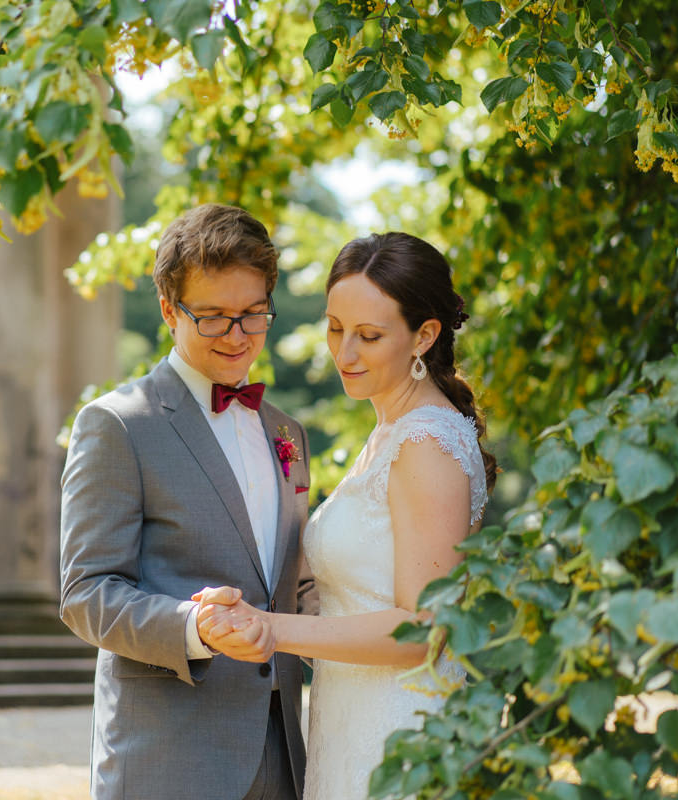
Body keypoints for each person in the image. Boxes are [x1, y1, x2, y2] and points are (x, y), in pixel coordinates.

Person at [195, 231, 497, 800]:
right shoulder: (390, 432)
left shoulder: (426, 442)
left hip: (401, 735)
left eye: (369, 335)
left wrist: (269, 628)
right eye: (335, 328)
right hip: (351, 719)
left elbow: (422, 629)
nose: (344, 353)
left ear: (424, 335)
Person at [59, 203, 318, 800]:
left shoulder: (288, 432)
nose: (238, 336)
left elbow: (294, 583)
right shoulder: (117, 424)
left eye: (253, 314)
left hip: (283, 755)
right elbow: (85, 594)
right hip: (167, 758)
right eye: (214, 317)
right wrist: (193, 627)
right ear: (169, 310)